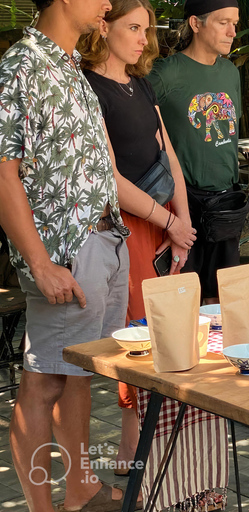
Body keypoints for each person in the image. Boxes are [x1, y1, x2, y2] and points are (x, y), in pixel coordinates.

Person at [0, 0, 141, 509]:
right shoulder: (21, 66)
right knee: (43, 383)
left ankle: (80, 490)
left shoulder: (68, 64)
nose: (107, 1)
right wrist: (39, 262)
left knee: (77, 373)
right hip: (64, 251)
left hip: (104, 239)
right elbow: (2, 170)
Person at [77, 0, 195, 476]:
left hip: (167, 221)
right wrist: (168, 224)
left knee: (170, 328)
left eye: (146, 29)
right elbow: (110, 178)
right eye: (134, 27)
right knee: (138, 333)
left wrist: (182, 221)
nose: (144, 39)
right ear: (103, 27)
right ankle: (131, 449)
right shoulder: (90, 87)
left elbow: (170, 158)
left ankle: (162, 439)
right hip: (128, 225)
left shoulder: (141, 84)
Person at [147, 0, 241, 302]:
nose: (232, 31)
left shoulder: (230, 73)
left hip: (225, 203)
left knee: (223, 301)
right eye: (223, 22)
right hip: (183, 205)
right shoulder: (165, 73)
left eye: (235, 23)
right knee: (183, 300)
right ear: (195, 24)